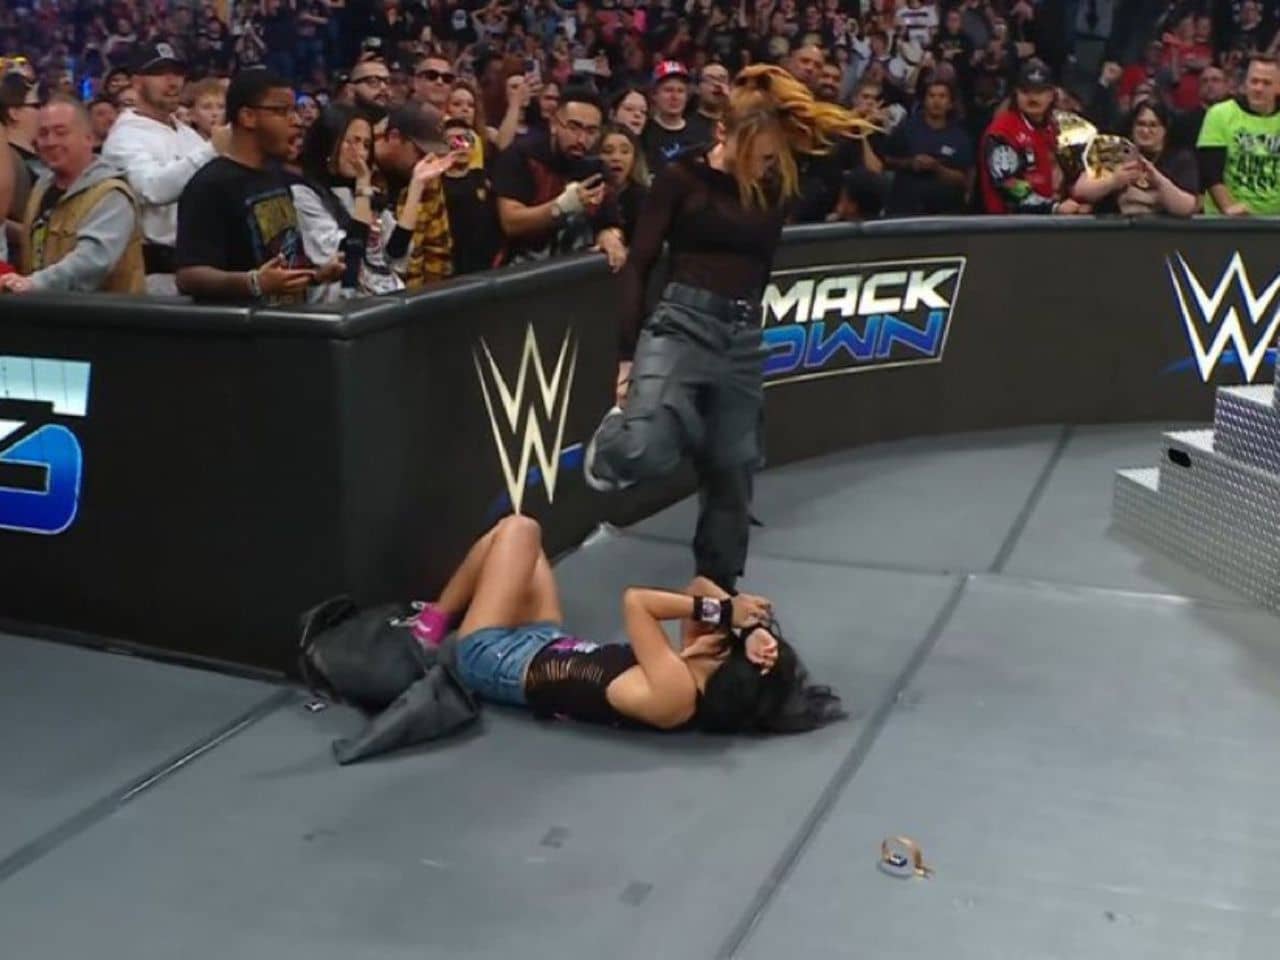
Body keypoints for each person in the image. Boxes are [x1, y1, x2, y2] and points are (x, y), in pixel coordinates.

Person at [583, 64, 873, 592]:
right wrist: (627, 356)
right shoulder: (683, 178)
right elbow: (639, 265)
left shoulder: (775, 184)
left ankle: (718, 596)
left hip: (741, 332)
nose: (762, 166)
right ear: (723, 133)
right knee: (644, 448)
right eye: (756, 155)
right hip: (681, 323)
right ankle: (610, 442)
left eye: (770, 157)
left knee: (733, 471)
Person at [409, 515, 844, 734]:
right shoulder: (691, 675)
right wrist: (749, 628)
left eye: (724, 638)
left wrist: (729, 616)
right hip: (543, 640)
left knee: (520, 530)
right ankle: (442, 614)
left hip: (494, 661)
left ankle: (430, 626)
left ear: (723, 659)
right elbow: (699, 588)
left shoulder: (676, 692)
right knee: (523, 543)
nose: (717, 633)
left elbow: (637, 602)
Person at [175, 68, 340, 304]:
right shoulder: (210, 184)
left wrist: (314, 276)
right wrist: (253, 283)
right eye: (281, 111)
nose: (296, 121)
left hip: (286, 320)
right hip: (241, 324)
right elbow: (188, 276)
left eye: (294, 110)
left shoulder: (277, 175)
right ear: (248, 117)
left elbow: (281, 260)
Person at [101, 43, 219, 295]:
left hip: (201, 265)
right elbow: (152, 189)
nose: (172, 82)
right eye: (160, 73)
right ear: (136, 82)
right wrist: (213, 149)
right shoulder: (124, 137)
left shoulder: (186, 133)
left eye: (177, 73)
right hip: (154, 273)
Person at [2, 96, 143, 294]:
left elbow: (92, 261)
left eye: (61, 133)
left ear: (89, 138)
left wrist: (34, 284)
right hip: (44, 307)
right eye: (43, 134)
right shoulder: (42, 187)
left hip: (102, 312)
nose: (50, 142)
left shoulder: (111, 194)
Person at [492, 84, 627, 269]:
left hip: (573, 273)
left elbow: (610, 222)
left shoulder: (596, 168)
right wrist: (561, 207)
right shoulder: (522, 156)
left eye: (591, 131)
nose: (581, 139)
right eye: (574, 127)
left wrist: (610, 236)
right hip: (520, 271)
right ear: (554, 125)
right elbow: (511, 222)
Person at [979, 58, 1088, 215]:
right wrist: (1053, 207)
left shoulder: (1056, 129)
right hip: (1009, 223)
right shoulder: (1002, 131)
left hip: (1050, 221)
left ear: (1051, 95)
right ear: (1016, 93)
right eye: (1026, 91)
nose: (1032, 98)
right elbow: (1008, 183)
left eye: (1039, 91)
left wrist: (1080, 202)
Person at [1071, 101, 1198, 217]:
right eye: (1140, 124)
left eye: (1153, 125)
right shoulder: (1113, 151)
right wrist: (1114, 181)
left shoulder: (1180, 159)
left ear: (1164, 130)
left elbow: (1186, 207)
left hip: (1162, 232)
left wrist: (1159, 180)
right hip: (1114, 230)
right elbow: (1080, 190)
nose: (1145, 131)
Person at [1197, 54, 1280, 217]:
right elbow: (1210, 172)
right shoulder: (1220, 114)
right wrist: (1229, 209)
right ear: (1245, 83)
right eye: (1254, 81)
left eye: (1266, 83)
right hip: (1228, 221)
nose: (1258, 88)